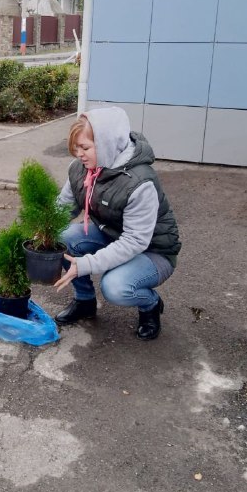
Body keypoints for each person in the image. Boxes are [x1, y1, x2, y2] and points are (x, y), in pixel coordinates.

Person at [53, 107, 181, 340]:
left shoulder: (140, 182)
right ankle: (84, 303)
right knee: (62, 237)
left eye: (85, 148)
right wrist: (39, 235)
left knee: (115, 287)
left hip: (153, 251)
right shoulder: (81, 169)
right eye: (76, 148)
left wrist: (85, 264)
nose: (79, 155)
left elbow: (134, 241)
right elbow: (63, 208)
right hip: (112, 234)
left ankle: (150, 304)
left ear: (107, 143)